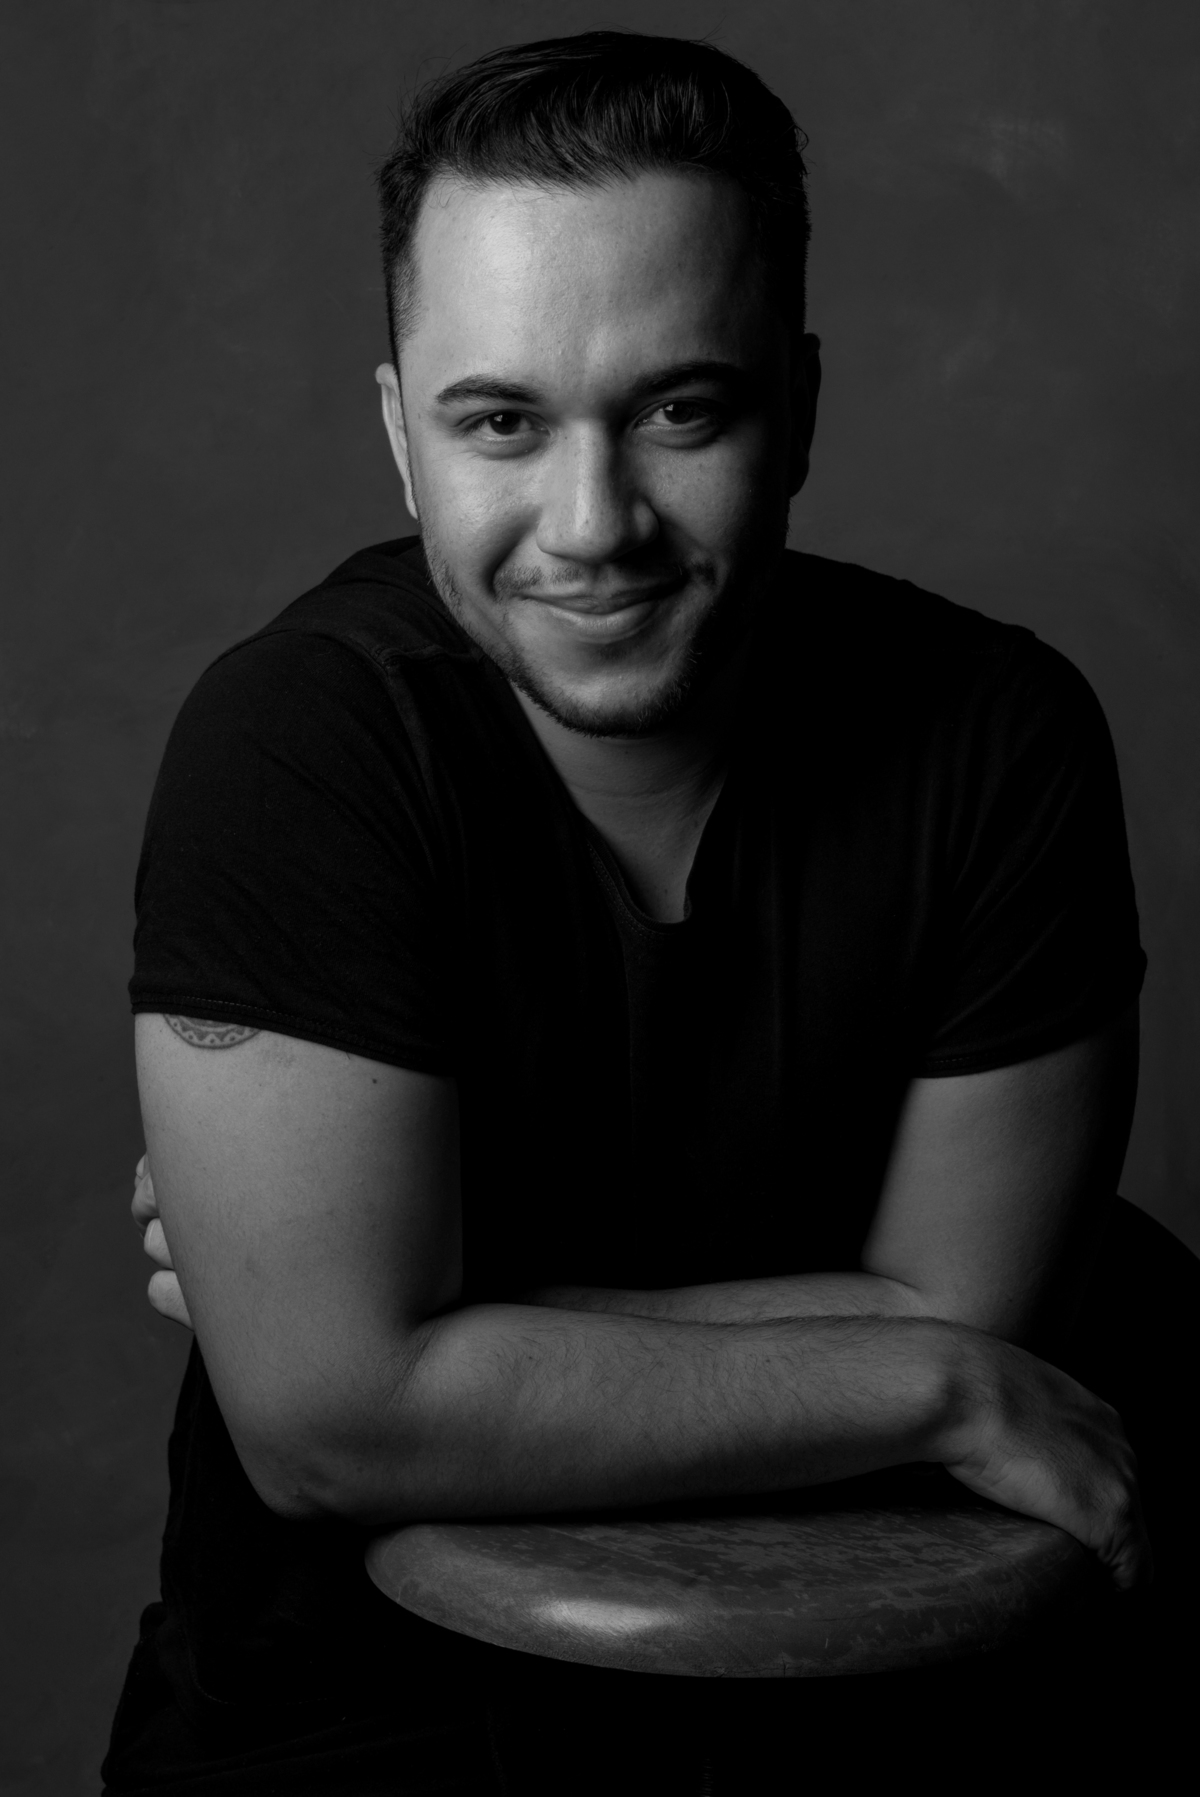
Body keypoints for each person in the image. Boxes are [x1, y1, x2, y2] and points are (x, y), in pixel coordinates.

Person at [102, 30, 1162, 1796]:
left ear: (797, 405)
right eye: (501, 422)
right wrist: (931, 1384)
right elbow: (323, 1433)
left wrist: (438, 1329)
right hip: (359, 1722)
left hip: (904, 1710)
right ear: (403, 437)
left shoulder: (1000, 738)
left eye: (683, 410)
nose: (592, 525)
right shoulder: (298, 744)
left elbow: (976, 1298)